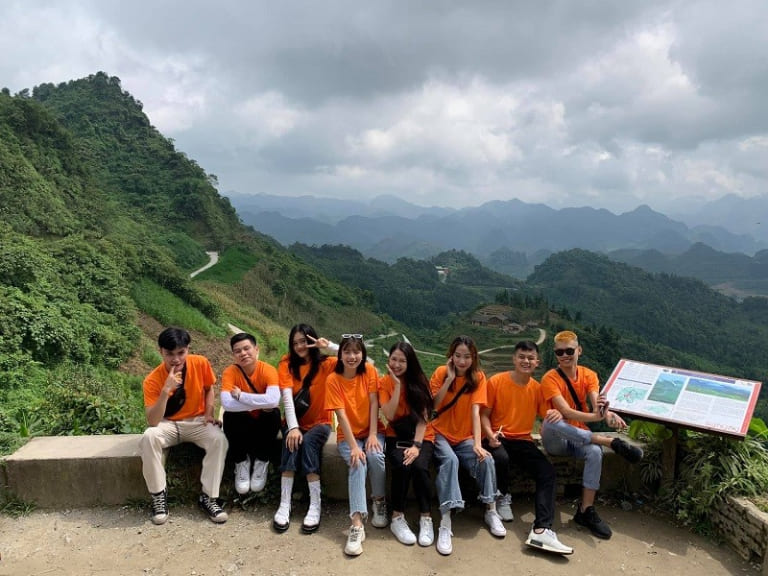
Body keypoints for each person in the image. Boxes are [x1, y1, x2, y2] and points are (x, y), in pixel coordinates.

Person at [540, 330, 643, 540]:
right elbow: (566, 412)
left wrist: (606, 413)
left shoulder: (589, 375)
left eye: (569, 350)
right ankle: (607, 441)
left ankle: (586, 510)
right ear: (555, 354)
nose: (565, 355)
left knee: (595, 453)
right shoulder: (550, 378)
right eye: (560, 352)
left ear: (579, 350)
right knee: (552, 417)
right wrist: (598, 418)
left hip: (579, 436)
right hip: (557, 438)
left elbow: (597, 403)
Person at [481, 340, 573, 555]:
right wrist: (489, 435)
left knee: (547, 472)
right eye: (522, 357)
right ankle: (503, 496)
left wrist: (558, 413)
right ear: (514, 359)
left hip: (522, 440)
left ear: (537, 362)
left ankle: (542, 528)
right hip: (497, 436)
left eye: (530, 358)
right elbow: (483, 415)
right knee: (500, 458)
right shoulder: (496, 381)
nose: (526, 361)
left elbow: (546, 415)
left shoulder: (537, 389)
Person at [139, 327, 228, 524]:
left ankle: (209, 496)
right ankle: (158, 496)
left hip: (196, 421)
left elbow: (209, 389)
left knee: (219, 439)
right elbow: (152, 421)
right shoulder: (152, 380)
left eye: (181, 353)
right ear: (161, 351)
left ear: (188, 349)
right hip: (167, 424)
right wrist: (165, 391)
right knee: (149, 436)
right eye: (170, 354)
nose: (176, 359)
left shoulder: (200, 363)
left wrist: (209, 413)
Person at [430, 335, 505, 556]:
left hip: (464, 435)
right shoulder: (440, 373)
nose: (462, 361)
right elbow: (433, 405)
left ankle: (490, 509)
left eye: (467, 357)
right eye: (458, 356)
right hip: (440, 432)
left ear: (474, 358)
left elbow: (476, 411)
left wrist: (477, 442)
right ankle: (445, 520)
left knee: (486, 459)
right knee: (450, 461)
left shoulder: (478, 378)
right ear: (451, 356)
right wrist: (448, 379)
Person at [325, 334, 387, 556]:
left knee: (375, 456)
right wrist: (353, 446)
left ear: (362, 354)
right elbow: (341, 416)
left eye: (356, 352)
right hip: (347, 436)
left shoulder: (369, 371)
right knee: (358, 462)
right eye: (347, 352)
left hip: (372, 430)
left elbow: (373, 403)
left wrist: (372, 435)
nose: (352, 357)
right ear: (340, 354)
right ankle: (357, 524)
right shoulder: (333, 380)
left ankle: (379, 501)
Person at [273, 324, 337, 533]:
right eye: (296, 343)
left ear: (313, 340)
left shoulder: (327, 364)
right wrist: (293, 427)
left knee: (309, 443)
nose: (300, 346)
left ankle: (315, 505)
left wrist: (330, 347)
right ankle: (285, 503)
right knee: (292, 443)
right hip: (295, 422)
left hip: (321, 422)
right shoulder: (286, 363)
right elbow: (287, 397)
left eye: (304, 341)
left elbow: (362, 360)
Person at [379, 342, 435, 547]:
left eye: (402, 361)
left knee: (420, 467)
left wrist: (416, 446)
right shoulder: (384, 383)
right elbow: (390, 415)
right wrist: (397, 386)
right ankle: (397, 517)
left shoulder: (420, 382)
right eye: (394, 359)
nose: (397, 364)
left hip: (422, 436)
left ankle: (426, 517)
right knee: (402, 466)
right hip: (396, 434)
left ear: (410, 363)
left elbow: (423, 419)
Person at [220, 332, 281, 495]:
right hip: (243, 425)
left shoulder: (268, 370)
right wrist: (261, 402)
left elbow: (274, 400)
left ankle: (262, 461)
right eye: (238, 351)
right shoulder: (230, 372)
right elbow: (226, 403)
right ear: (234, 355)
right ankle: (241, 462)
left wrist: (241, 396)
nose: (243, 353)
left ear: (256, 349)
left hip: (263, 424)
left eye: (247, 348)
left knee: (273, 413)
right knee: (229, 416)